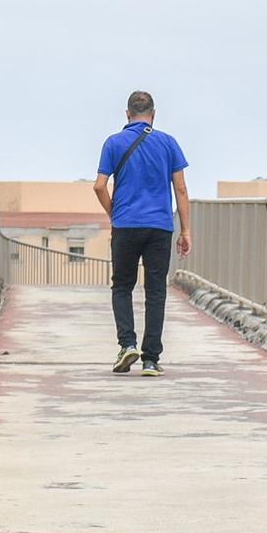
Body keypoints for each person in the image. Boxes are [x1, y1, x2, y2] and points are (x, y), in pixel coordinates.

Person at [95, 91, 193, 376]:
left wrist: (115, 213)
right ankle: (151, 360)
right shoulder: (168, 143)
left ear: (127, 115)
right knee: (156, 290)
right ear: (153, 114)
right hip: (159, 227)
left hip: (125, 225)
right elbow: (182, 189)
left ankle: (127, 345)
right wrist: (185, 230)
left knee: (122, 286)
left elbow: (99, 186)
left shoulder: (113, 143)